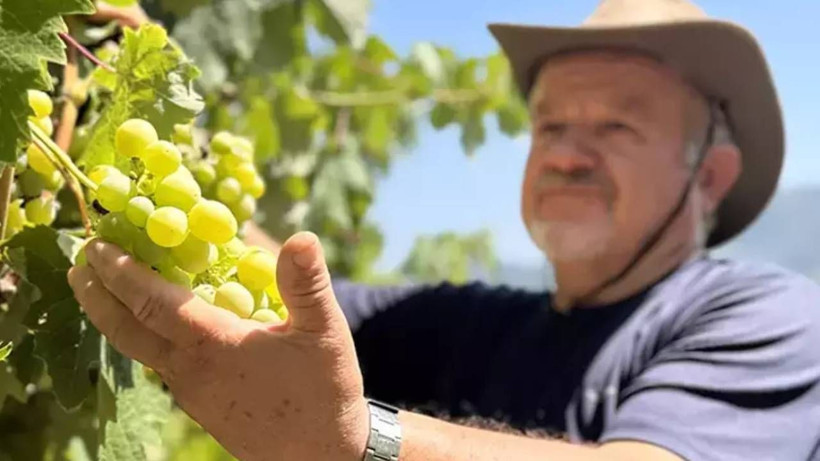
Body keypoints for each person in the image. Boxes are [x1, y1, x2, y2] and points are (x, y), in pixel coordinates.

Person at [68, 0, 820, 460]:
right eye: (549, 122)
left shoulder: (773, 320)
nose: (564, 152)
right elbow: (252, 274)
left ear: (711, 176)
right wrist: (128, 100)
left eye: (616, 124)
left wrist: (357, 445)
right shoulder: (473, 327)